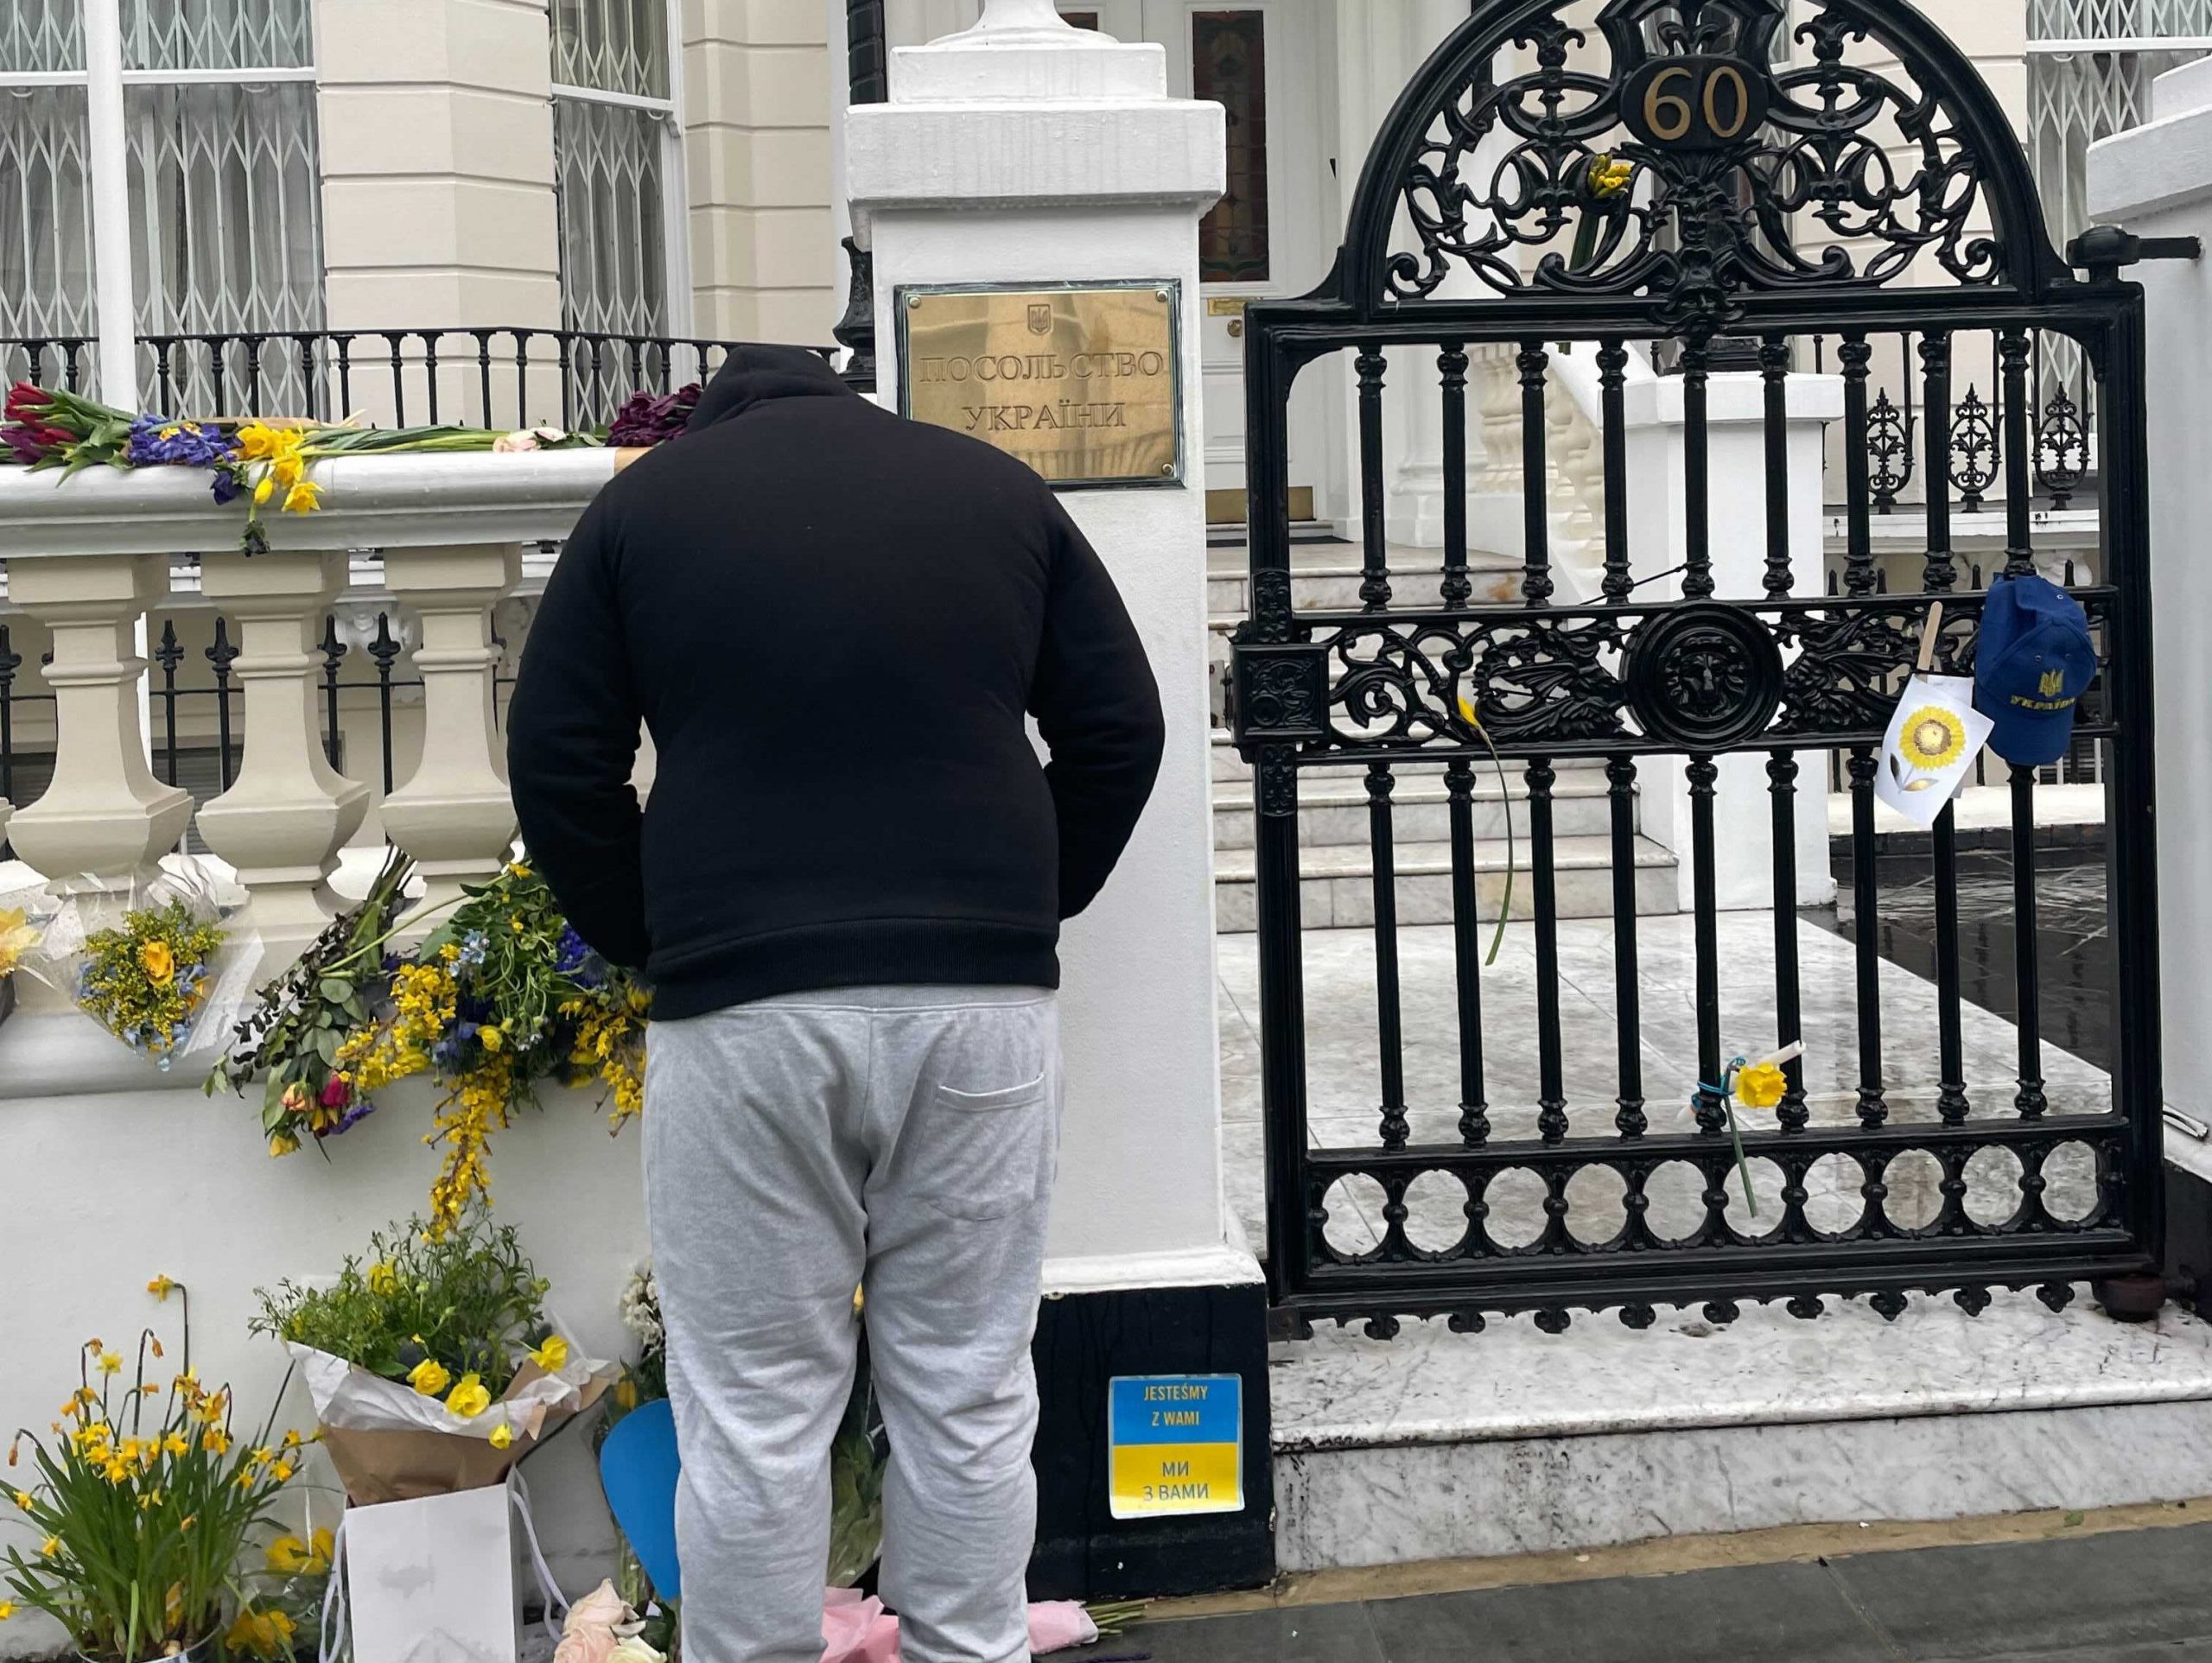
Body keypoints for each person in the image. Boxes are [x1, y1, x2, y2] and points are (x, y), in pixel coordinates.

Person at [506, 342, 1166, 1663]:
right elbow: (1122, 727)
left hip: (743, 1013)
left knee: (753, 1406)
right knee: (968, 1389)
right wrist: (1027, 900)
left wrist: (652, 931)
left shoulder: (641, 508)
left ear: (714, 413)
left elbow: (555, 757)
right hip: (976, 1008)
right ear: (851, 399)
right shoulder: (995, 488)